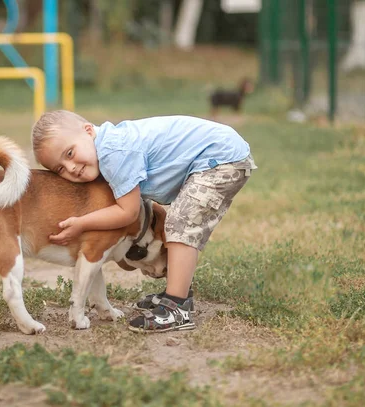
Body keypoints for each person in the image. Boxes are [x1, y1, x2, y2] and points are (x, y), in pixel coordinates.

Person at [31, 110, 257, 332]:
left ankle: (176, 308)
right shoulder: (105, 147)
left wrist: (82, 223)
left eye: (70, 153)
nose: (70, 168)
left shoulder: (113, 153)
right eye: (59, 168)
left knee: (181, 225)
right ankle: (177, 293)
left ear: (88, 131)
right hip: (218, 154)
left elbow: (127, 213)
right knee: (180, 222)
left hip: (221, 159)